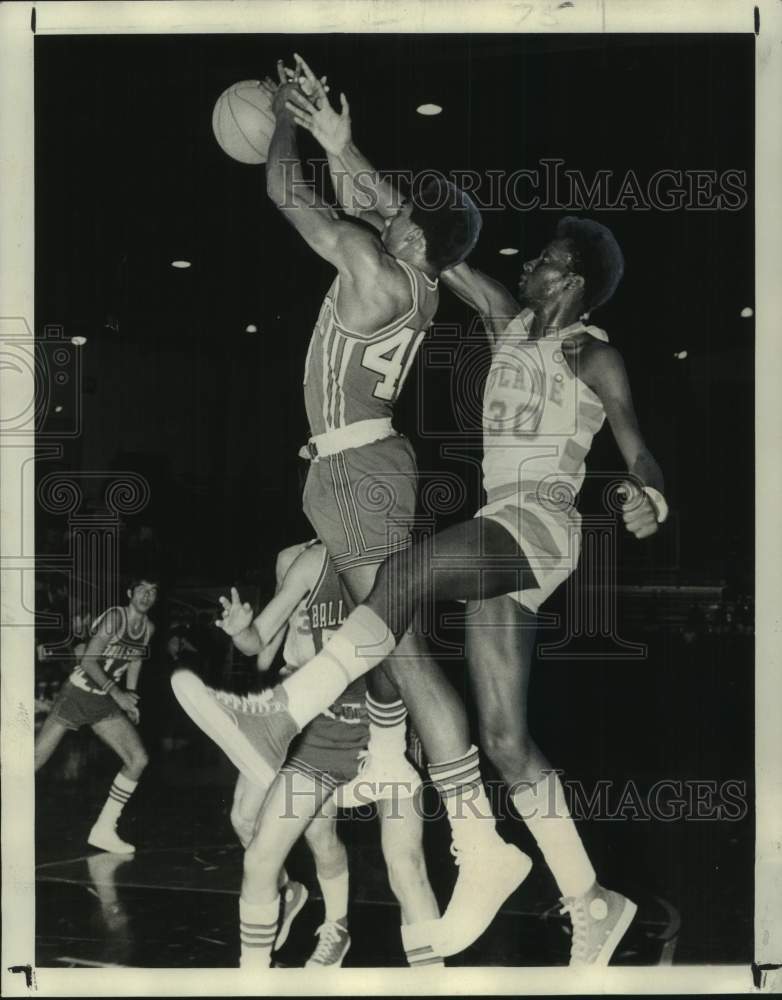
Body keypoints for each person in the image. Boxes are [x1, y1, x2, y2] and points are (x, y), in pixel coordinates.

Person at [173, 541, 445, 968]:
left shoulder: (394, 555)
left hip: (384, 727)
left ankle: (433, 978)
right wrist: (241, 630)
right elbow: (258, 643)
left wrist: (430, 734)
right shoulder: (308, 562)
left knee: (407, 867)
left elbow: (419, 664)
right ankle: (297, 944)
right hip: (319, 726)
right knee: (266, 844)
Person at [35, 576, 159, 854]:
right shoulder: (116, 618)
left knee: (137, 759)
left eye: (152, 591)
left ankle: (104, 829)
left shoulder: (148, 628)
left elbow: (136, 658)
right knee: (33, 760)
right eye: (141, 589)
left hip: (105, 699)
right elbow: (88, 661)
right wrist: (119, 694)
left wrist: (131, 694)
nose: (146, 595)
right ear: (130, 592)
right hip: (78, 694)